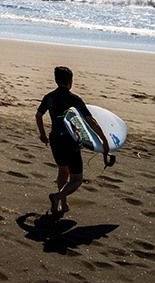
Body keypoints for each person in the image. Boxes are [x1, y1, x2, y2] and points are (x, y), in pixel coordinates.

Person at [35, 66, 114, 215]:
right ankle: (57, 196)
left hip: (55, 139)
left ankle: (62, 203)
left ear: (56, 80)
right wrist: (103, 139)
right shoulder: (74, 99)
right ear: (70, 81)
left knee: (63, 170)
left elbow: (38, 115)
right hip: (70, 141)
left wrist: (42, 135)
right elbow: (90, 121)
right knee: (76, 179)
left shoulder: (49, 97)